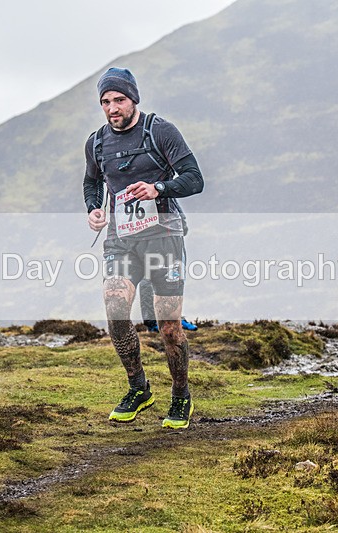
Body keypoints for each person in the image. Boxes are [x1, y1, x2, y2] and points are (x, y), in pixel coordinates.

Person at [83, 67, 204, 429]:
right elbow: (92, 181)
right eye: (105, 102)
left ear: (133, 99)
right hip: (120, 239)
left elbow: (194, 179)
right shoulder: (97, 142)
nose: (112, 107)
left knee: (168, 326)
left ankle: (180, 396)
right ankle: (139, 388)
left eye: (118, 100)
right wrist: (94, 208)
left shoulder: (159, 131)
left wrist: (159, 189)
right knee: (116, 309)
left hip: (164, 236)